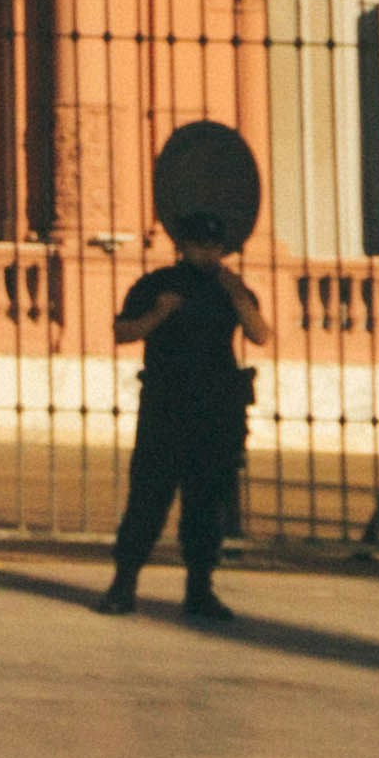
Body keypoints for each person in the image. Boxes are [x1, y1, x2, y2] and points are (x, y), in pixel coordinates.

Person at [103, 219, 271, 622]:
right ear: (184, 246)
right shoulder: (158, 284)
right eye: (200, 245)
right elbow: (123, 331)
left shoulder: (231, 287)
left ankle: (200, 589)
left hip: (217, 407)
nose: (208, 253)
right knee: (148, 498)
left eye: (214, 246)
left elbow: (260, 334)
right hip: (168, 404)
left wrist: (238, 296)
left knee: (207, 503)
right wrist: (159, 313)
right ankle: (123, 584)